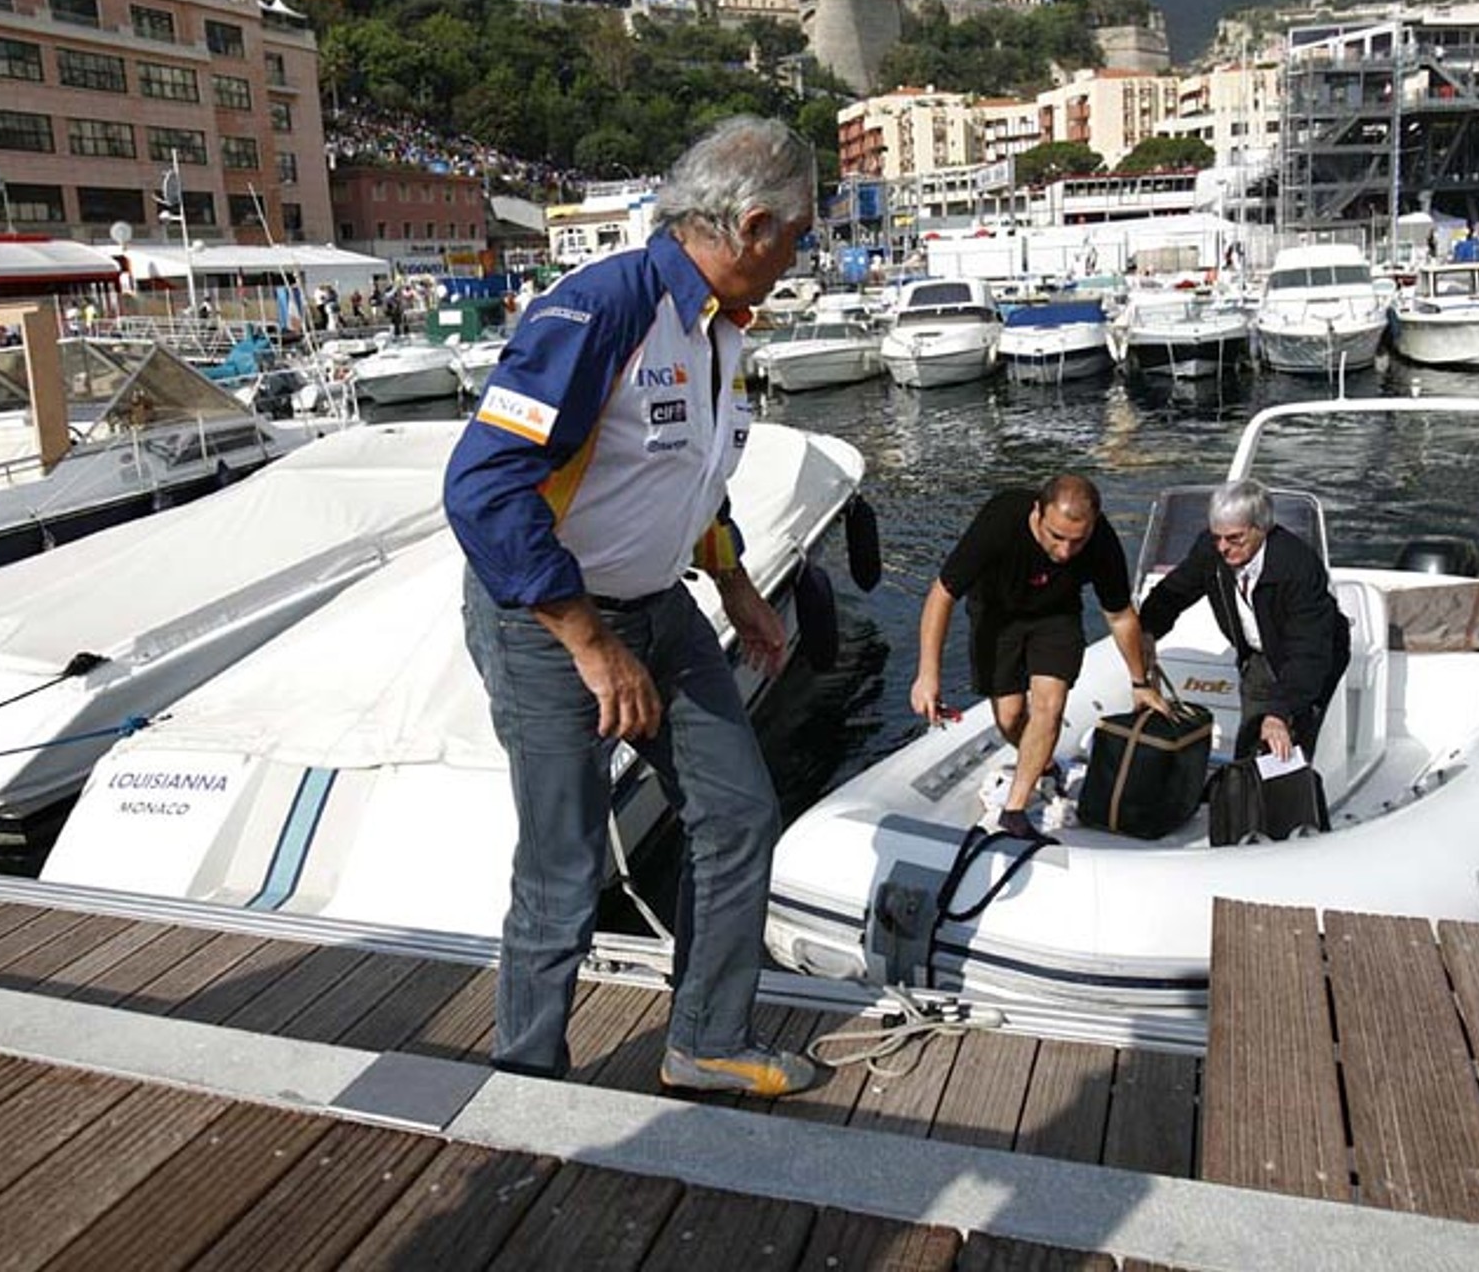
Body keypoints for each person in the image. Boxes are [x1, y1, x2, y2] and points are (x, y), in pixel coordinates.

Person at [444, 115, 819, 1098]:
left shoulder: (721, 328)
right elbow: (482, 488)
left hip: (660, 609)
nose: (800, 254)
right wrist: (589, 642)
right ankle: (525, 1083)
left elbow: (689, 478)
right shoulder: (603, 310)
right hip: (550, 623)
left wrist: (735, 583)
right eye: (798, 234)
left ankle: (706, 1043)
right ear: (752, 226)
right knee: (564, 867)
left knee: (737, 814)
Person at [911, 475, 1169, 841]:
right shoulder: (1001, 520)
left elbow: (1120, 616)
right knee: (1010, 716)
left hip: (1056, 615)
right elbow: (943, 594)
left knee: (1049, 704)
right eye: (1056, 536)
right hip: (997, 616)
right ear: (1037, 512)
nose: (1065, 552)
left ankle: (1014, 812)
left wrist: (1140, 682)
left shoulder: (1101, 539)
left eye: (1077, 541)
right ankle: (1045, 765)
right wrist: (928, 674)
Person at [1137, 479, 1350, 762]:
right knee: (1252, 738)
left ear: (1262, 528)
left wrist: (1279, 713)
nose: (1223, 547)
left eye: (1234, 538)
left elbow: (1308, 650)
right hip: (1258, 652)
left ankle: (1293, 784)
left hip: (1311, 655)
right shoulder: (1212, 550)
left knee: (1289, 744)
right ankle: (1243, 781)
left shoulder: (1298, 566)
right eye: (1217, 537)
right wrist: (1147, 630)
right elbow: (1175, 591)